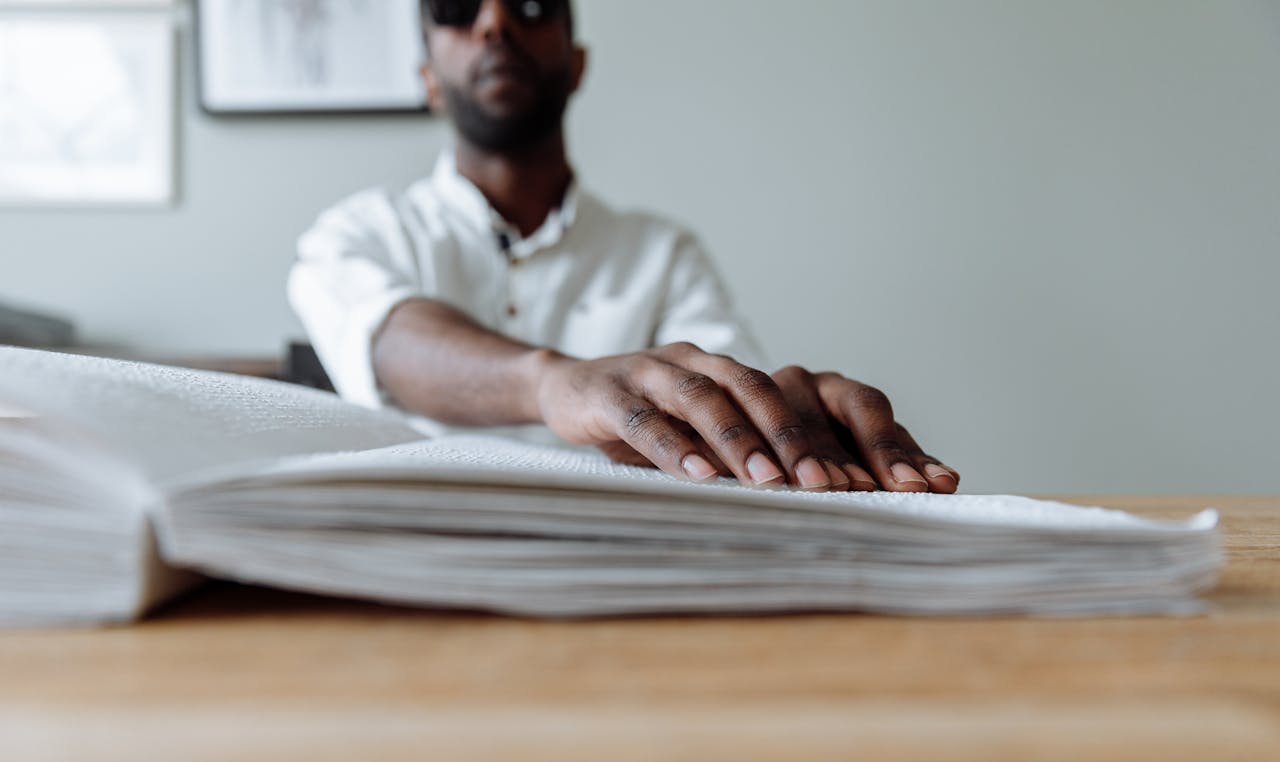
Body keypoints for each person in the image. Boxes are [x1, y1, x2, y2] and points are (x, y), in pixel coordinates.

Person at [288, 0, 960, 494]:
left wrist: (788, 415)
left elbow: (722, 411)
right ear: (428, 78)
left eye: (531, 5)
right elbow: (388, 340)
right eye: (458, 9)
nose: (495, 23)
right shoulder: (356, 232)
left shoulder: (662, 252)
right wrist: (553, 383)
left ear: (577, 66)